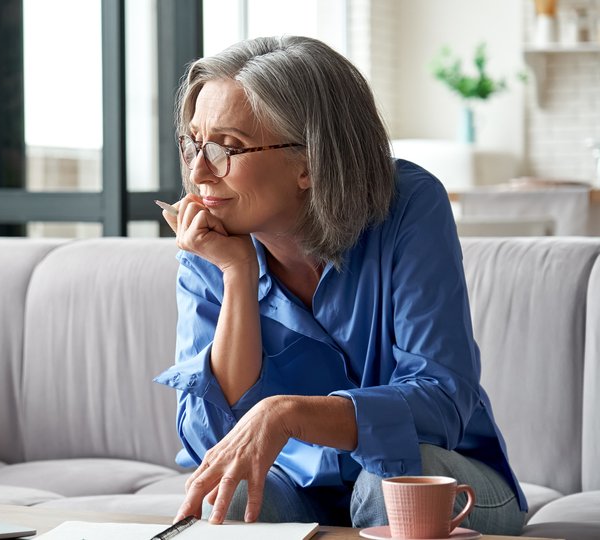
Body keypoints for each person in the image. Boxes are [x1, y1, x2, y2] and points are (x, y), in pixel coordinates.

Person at [153, 35, 527, 534]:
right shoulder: (212, 241)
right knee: (234, 492)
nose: (199, 172)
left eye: (227, 148)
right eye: (193, 143)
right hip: (298, 488)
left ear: (309, 161)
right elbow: (213, 441)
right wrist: (237, 275)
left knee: (388, 482)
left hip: (444, 477)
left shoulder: (409, 206)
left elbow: (441, 401)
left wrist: (288, 414)